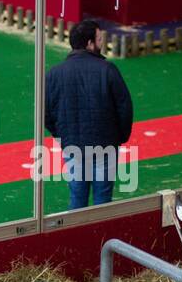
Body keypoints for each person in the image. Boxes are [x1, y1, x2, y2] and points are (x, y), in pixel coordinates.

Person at [45, 18, 133, 209]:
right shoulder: (107, 70)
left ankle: (76, 237)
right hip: (105, 145)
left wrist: (61, 135)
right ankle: (102, 237)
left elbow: (46, 112)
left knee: (77, 197)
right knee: (102, 199)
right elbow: (124, 107)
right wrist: (119, 137)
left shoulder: (54, 73)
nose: (102, 43)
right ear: (89, 43)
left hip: (73, 146)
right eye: (99, 39)